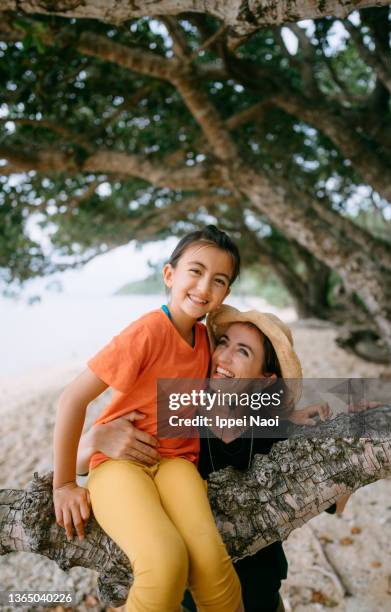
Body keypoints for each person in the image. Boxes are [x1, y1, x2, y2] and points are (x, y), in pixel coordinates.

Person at [77, 305, 340, 612]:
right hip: (191, 597)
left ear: (265, 380)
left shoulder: (276, 429)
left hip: (262, 593)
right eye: (223, 343)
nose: (224, 357)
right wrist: (94, 439)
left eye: (243, 352)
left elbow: (336, 496)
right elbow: (90, 466)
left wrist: (348, 430)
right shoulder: (181, 418)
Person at [52, 226, 246, 612]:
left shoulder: (206, 341)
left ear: (225, 294)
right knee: (165, 561)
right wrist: (64, 484)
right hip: (119, 466)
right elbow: (72, 399)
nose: (204, 286)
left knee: (211, 563)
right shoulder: (146, 333)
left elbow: (224, 395)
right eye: (195, 271)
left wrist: (295, 412)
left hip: (176, 464)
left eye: (219, 280)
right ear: (170, 275)